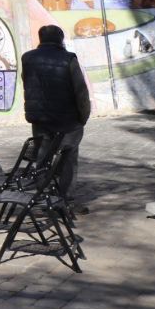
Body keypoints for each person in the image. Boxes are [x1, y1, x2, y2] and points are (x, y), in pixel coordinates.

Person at [22, 25, 91, 204]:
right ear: (60, 39)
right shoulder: (68, 59)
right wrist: (83, 116)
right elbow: (80, 91)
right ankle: (65, 197)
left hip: (40, 118)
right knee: (68, 158)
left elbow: (27, 83)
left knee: (42, 158)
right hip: (67, 119)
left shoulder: (27, 58)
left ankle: (43, 194)